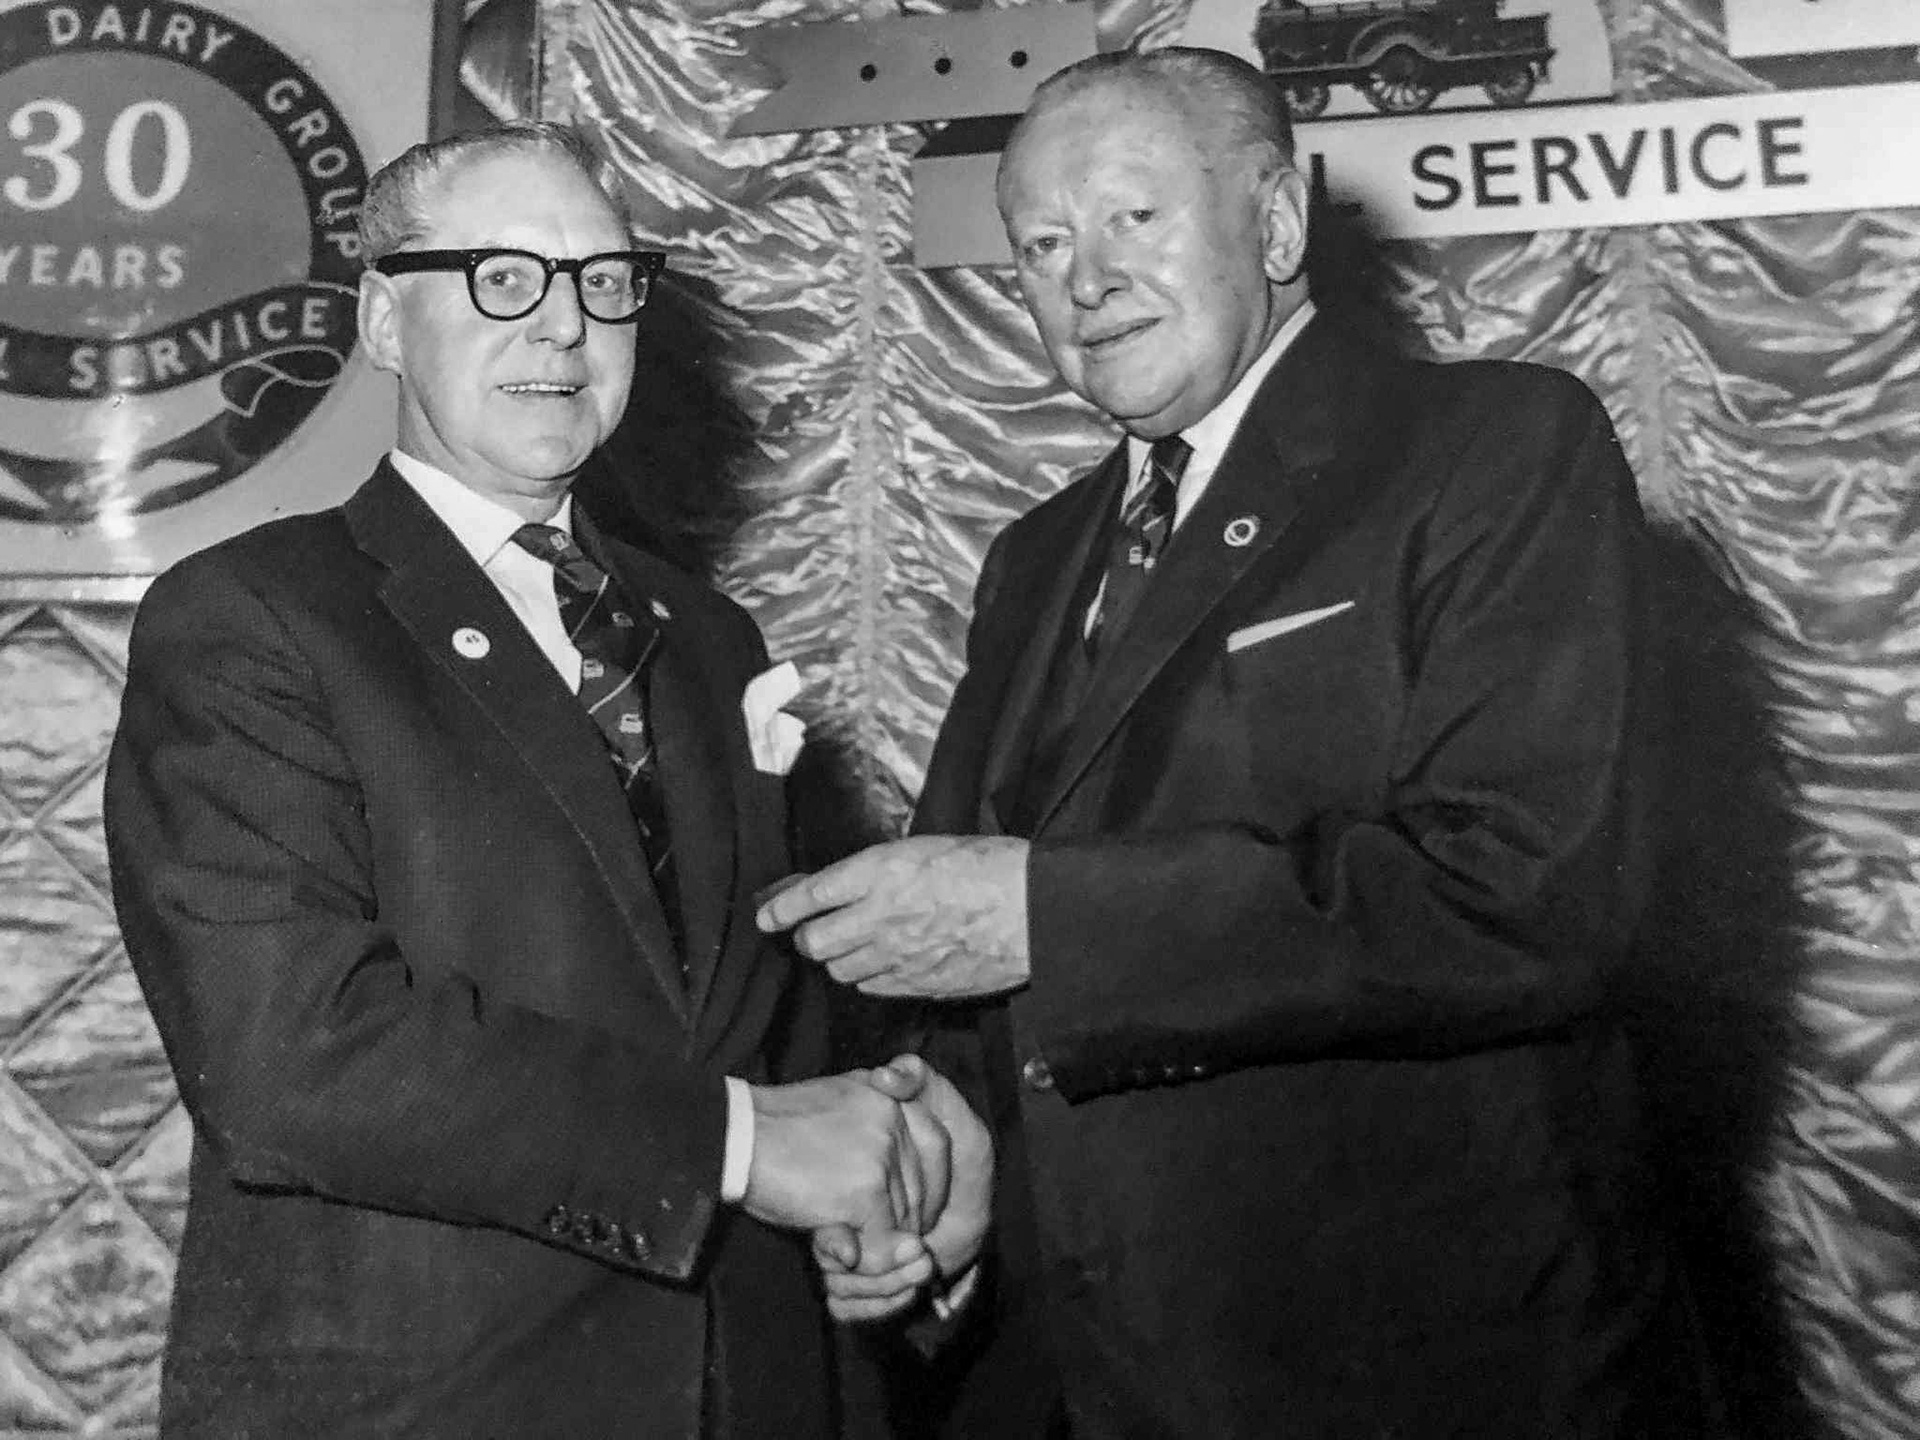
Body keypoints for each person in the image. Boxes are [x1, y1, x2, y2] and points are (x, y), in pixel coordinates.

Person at [760, 47, 1708, 1439]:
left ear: (1273, 223)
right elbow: (986, 972)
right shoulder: (1033, 560)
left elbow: (1533, 893)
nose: (1085, 280)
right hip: (1101, 1380)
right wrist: (949, 1159)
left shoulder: (1496, 447)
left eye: (1134, 218)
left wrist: (1045, 922)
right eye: (1041, 242)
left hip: (1434, 1383)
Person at [105, 121, 986, 1438]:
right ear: (386, 322)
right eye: (503, 277)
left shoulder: (711, 640)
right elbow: (289, 1059)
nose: (565, 329)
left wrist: (893, 1185)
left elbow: (760, 1022)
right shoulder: (257, 616)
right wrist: (745, 1144)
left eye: (602, 280)